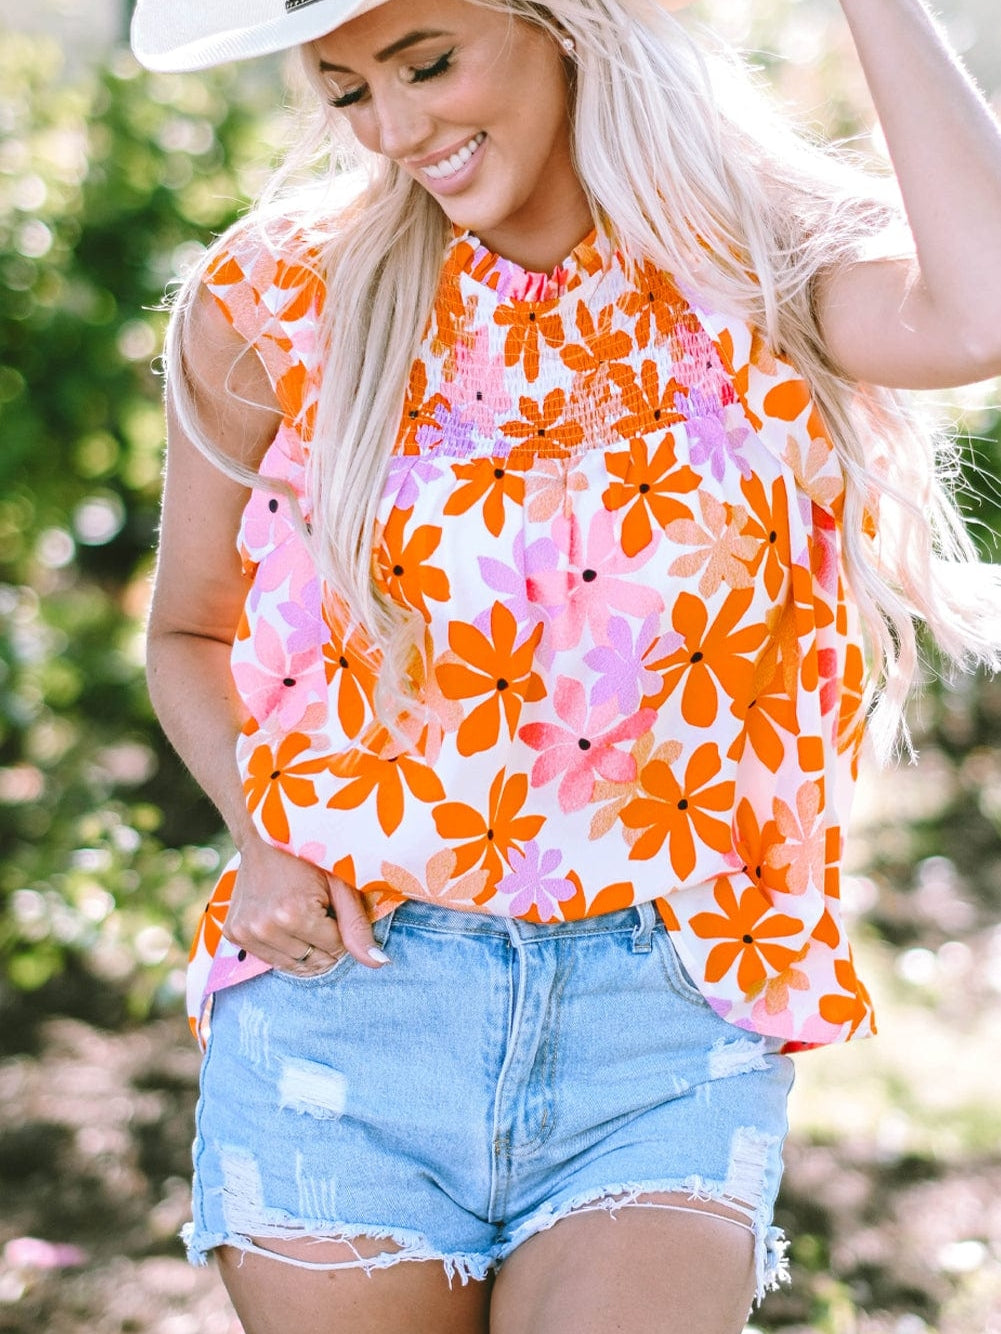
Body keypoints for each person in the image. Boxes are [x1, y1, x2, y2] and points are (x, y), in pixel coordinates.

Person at [131, 0, 1001, 1328]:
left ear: (565, 20)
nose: (399, 126)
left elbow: (978, 308)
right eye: (350, 90)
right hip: (351, 1006)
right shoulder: (278, 297)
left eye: (428, 62)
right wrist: (263, 832)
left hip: (663, 1011)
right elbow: (187, 629)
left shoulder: (753, 273)